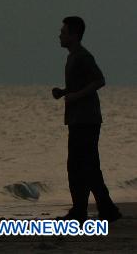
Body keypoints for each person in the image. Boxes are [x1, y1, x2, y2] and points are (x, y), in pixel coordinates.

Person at [51, 16, 121, 222]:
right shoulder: (72, 57)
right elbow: (81, 85)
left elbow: (99, 80)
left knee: (81, 165)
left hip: (86, 119)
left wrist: (75, 96)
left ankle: (85, 211)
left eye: (63, 32)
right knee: (85, 165)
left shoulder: (83, 56)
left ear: (74, 35)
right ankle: (101, 209)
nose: (60, 35)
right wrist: (64, 92)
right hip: (77, 119)